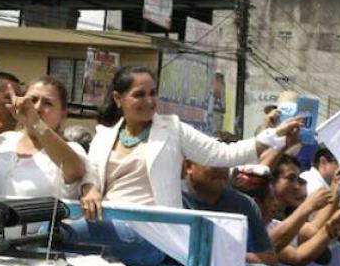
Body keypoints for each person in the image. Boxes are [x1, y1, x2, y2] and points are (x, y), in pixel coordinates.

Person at [77, 65, 300, 221]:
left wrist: (274, 134)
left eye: (153, 93)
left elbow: (224, 154)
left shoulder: (173, 129)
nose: (149, 101)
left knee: (66, 233)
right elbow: (90, 174)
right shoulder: (103, 136)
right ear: (118, 99)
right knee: (58, 228)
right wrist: (90, 190)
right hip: (107, 221)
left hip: (153, 231)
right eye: (139, 95)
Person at [0, 75, 87, 200]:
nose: (37, 108)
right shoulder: (3, 140)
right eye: (32, 100)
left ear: (63, 114)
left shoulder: (72, 149)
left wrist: (36, 123)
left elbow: (74, 171)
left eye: (48, 103)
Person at [182, 160, 277, 265]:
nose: (221, 169)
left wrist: (227, 257)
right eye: (213, 161)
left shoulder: (244, 204)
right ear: (189, 166)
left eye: (225, 162)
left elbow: (268, 259)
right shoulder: (170, 198)